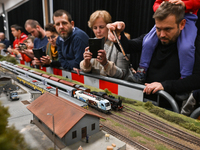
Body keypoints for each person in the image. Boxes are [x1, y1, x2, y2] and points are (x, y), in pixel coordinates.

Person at [107, 2, 200, 107]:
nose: (162, 34)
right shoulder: (152, 39)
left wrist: (165, 86)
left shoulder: (192, 44)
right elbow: (129, 47)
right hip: (143, 103)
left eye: (168, 29)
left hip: (170, 108)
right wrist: (118, 35)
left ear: (182, 24)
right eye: (158, 28)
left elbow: (197, 79)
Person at [131, 0, 200, 84]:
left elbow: (197, 3)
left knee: (186, 47)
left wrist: (185, 5)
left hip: (188, 17)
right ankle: (142, 71)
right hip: (167, 18)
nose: (162, 34)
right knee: (148, 41)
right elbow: (157, 3)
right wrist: (160, 9)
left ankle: (185, 78)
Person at [80, 10, 129, 79]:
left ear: (108, 27)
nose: (98, 31)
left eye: (101, 27)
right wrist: (86, 63)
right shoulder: (93, 41)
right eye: (95, 28)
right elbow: (85, 70)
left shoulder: (120, 43)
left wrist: (105, 64)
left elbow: (123, 74)